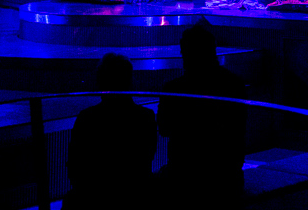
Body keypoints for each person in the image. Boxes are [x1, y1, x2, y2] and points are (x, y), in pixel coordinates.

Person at [158, 19, 247, 209]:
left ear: (186, 54)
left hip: (184, 176)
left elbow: (164, 129)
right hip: (227, 176)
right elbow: (239, 129)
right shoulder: (236, 84)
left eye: (184, 53)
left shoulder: (174, 88)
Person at [65, 53, 157, 210]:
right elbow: (145, 159)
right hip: (136, 196)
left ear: (101, 83)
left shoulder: (87, 118)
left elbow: (75, 165)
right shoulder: (145, 117)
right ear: (129, 82)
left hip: (93, 197)